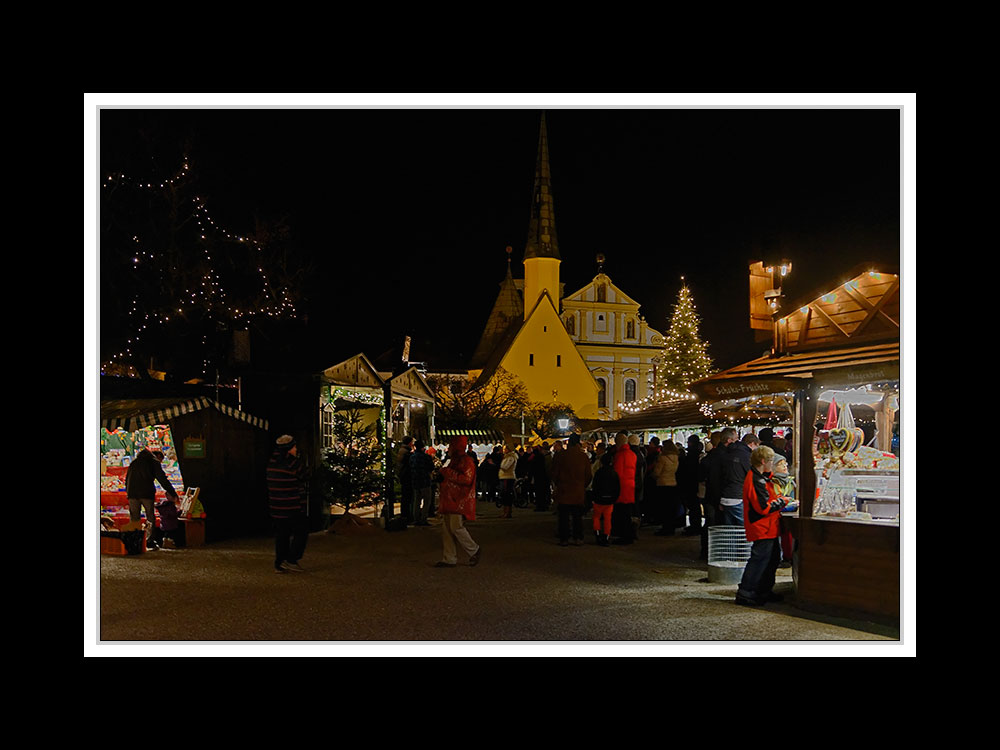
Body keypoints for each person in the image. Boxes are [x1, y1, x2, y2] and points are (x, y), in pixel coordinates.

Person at [735, 445, 787, 607]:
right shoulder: (756, 479)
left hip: (767, 526)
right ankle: (746, 592)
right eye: (771, 460)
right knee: (759, 560)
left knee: (771, 559)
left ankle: (762, 591)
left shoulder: (759, 477)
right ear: (763, 461)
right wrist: (783, 502)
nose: (772, 463)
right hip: (762, 526)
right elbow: (763, 507)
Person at [435, 436, 482, 567]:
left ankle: (474, 549)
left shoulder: (465, 461)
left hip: (457, 499)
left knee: (455, 527)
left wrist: (447, 473)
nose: (449, 448)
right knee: (447, 529)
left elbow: (466, 479)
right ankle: (449, 558)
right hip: (450, 499)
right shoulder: (455, 460)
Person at [267, 435, 308, 573]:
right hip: (292, 505)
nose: (296, 449)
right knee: (301, 532)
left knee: (281, 535)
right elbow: (305, 475)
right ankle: (291, 560)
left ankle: (280, 562)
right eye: (294, 447)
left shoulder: (272, 461)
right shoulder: (293, 463)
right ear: (289, 449)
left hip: (276, 506)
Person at [125, 448, 179, 551]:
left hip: (132, 493)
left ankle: (135, 541)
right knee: (150, 517)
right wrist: (172, 492)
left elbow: (127, 478)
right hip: (146, 493)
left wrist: (128, 492)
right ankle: (149, 541)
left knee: (134, 518)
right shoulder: (153, 462)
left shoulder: (134, 462)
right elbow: (162, 478)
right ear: (158, 457)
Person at [550, 434, 593, 546]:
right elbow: (588, 475)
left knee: (563, 517)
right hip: (578, 491)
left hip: (564, 490)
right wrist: (582, 485)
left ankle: (564, 538)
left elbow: (555, 473)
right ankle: (578, 537)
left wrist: (557, 484)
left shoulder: (561, 456)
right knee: (577, 516)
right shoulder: (583, 457)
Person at [719, 432, 760, 526]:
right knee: (743, 528)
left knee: (730, 530)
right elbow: (752, 476)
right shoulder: (746, 456)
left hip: (725, 496)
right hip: (738, 496)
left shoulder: (728, 452)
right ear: (752, 444)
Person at [610, 432, 638, 544]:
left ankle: (624, 536)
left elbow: (617, 474)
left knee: (622, 513)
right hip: (630, 486)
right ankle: (628, 534)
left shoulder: (620, 455)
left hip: (621, 488)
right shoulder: (632, 454)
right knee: (627, 512)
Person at [771, 454, 796, 568]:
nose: (785, 466)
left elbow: (792, 498)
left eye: (785, 464)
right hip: (774, 515)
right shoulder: (771, 482)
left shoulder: (790, 481)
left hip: (786, 513)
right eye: (781, 464)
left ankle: (787, 556)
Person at [591, 451, 620, 546]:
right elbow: (617, 487)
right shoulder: (614, 473)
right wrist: (614, 498)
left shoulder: (599, 472)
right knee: (608, 519)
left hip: (599, 499)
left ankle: (597, 533)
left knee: (596, 517)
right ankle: (606, 536)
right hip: (610, 499)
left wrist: (593, 497)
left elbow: (595, 486)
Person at [651, 439, 680, 535]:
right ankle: (671, 528)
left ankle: (665, 528)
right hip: (673, 483)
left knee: (664, 508)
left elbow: (657, 472)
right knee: (671, 508)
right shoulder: (676, 458)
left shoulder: (662, 458)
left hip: (663, 484)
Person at [677, 434, 704, 535]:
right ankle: (695, 525)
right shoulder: (697, 455)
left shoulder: (691, 456)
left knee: (693, 507)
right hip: (694, 484)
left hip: (690, 484)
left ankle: (695, 526)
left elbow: (686, 470)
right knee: (694, 507)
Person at [410, 438, 435, 526]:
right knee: (427, 501)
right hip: (425, 481)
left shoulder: (412, 457)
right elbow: (431, 467)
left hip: (416, 481)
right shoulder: (426, 457)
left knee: (416, 501)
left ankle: (416, 519)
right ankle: (423, 519)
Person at [396, 436, 414, 523]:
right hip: (407, 476)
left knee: (405, 497)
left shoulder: (402, 450)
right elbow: (410, 463)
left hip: (403, 476)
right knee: (407, 497)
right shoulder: (407, 452)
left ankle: (405, 514)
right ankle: (406, 515)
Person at [498, 445, 518, 518]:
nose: (504, 450)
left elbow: (505, 467)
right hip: (504, 477)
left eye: (505, 449)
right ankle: (505, 511)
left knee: (507, 495)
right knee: (504, 495)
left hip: (508, 477)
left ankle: (508, 512)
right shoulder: (506, 457)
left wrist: (499, 465)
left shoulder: (511, 457)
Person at [532, 443, 552, 512]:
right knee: (544, 491)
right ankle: (544, 504)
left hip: (540, 477)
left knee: (540, 492)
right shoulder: (543, 457)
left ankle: (541, 505)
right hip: (543, 476)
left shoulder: (539, 457)